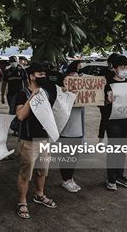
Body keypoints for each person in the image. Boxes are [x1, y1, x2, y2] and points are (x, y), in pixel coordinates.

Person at [15, 62, 57, 220]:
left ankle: (39, 194)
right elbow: (20, 116)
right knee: (26, 173)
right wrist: (32, 97)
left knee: (42, 171)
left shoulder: (46, 92)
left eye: (44, 74)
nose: (43, 77)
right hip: (29, 140)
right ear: (32, 76)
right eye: (40, 74)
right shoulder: (22, 94)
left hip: (44, 138)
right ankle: (22, 201)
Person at [104, 55, 127, 191]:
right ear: (115, 69)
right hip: (113, 121)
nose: (124, 69)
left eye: (126, 67)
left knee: (122, 149)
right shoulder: (108, 83)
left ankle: (120, 176)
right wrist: (107, 100)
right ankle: (111, 178)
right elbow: (102, 104)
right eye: (122, 67)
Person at [59, 61, 84, 193]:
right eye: (72, 79)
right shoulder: (61, 94)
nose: (76, 81)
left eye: (78, 79)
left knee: (74, 156)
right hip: (66, 130)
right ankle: (65, 179)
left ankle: (70, 178)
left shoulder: (82, 95)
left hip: (78, 130)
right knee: (66, 156)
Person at [98, 53, 119, 141]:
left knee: (109, 121)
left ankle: (105, 140)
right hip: (105, 101)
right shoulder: (104, 72)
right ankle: (101, 140)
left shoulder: (118, 72)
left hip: (116, 100)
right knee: (105, 120)